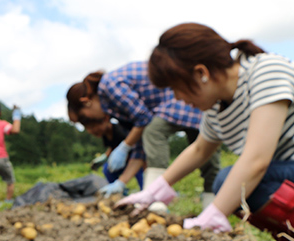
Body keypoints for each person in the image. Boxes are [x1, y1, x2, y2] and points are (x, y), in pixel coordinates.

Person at [116, 22, 294, 241]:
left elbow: (257, 160)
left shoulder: (266, 72)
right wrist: (152, 191)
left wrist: (213, 216)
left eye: (176, 88)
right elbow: (199, 150)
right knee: (230, 183)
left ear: (201, 73)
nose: (178, 98)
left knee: (237, 181)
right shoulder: (218, 110)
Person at [66, 64, 220, 205]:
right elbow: (141, 142)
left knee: (202, 147)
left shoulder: (109, 86)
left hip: (180, 96)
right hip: (173, 104)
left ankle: (158, 200)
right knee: (203, 147)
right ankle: (207, 206)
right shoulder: (113, 108)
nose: (92, 120)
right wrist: (122, 182)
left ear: (86, 101)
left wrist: (125, 145)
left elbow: (144, 119)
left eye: (85, 117)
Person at [66, 80, 145, 197]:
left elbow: (136, 141)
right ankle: (118, 191)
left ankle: (146, 189)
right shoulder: (106, 135)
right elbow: (112, 148)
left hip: (134, 156)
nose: (92, 131)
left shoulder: (118, 126)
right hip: (125, 158)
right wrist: (104, 158)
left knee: (139, 171)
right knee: (107, 169)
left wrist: (124, 149)